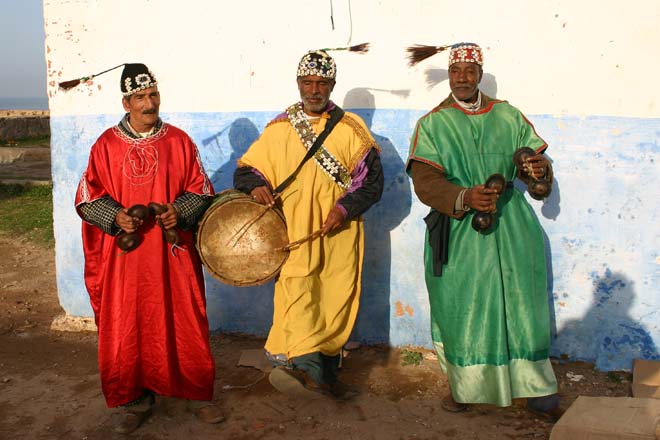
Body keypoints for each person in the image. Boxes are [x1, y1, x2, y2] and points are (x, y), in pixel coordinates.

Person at [405, 43, 561, 418]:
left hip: (512, 226)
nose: (462, 78)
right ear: (449, 74)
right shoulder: (433, 123)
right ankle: (468, 385)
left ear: (479, 73)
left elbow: (534, 167)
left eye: (469, 71)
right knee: (465, 307)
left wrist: (537, 170)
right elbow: (425, 181)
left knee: (524, 306)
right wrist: (464, 196)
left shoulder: (508, 116)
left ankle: (537, 387)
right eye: (456, 72)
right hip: (460, 230)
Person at [74, 63, 223, 434]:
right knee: (128, 324)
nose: (149, 103)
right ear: (126, 102)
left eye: (153, 95)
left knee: (185, 318)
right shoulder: (105, 146)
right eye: (140, 97)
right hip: (127, 259)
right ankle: (133, 398)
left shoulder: (179, 141)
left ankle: (195, 393)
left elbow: (201, 189)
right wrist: (116, 217)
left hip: (171, 256)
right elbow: (86, 196)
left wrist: (181, 210)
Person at [233, 49, 383, 399]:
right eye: (307, 82)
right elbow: (246, 170)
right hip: (295, 232)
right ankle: (306, 369)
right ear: (298, 83)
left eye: (322, 83)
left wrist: (344, 209)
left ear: (332, 85)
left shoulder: (353, 130)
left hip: (338, 233)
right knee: (299, 291)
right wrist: (256, 186)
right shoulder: (280, 128)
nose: (314, 90)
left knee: (334, 296)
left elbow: (371, 183)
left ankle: (325, 366)